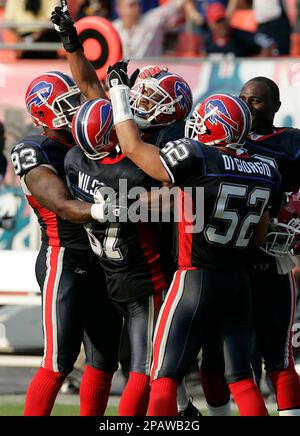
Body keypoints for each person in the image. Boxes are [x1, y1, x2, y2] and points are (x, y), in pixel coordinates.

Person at [106, 62, 283, 415]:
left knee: (163, 375)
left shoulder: (199, 156)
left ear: (218, 128)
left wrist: (118, 93)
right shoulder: (267, 169)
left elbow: (131, 146)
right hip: (238, 281)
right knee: (242, 378)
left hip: (194, 278)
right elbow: (260, 234)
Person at [51, 5, 200, 416]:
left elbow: (91, 91)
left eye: (148, 96)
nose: (136, 99)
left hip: (135, 266)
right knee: (152, 369)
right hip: (150, 268)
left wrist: (71, 43)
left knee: (158, 371)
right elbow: (176, 196)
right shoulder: (139, 148)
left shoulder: (85, 158)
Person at [10, 71, 122, 416]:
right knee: (58, 359)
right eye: (65, 104)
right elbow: (61, 204)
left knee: (104, 360)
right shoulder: (35, 150)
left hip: (103, 259)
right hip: (65, 259)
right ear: (43, 113)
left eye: (74, 100)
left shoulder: (88, 140)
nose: (75, 108)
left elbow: (93, 91)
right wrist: (108, 209)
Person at [200, 77, 300, 417]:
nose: (246, 105)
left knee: (278, 357)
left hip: (271, 259)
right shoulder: (216, 144)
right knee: (216, 358)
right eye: (242, 98)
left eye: (255, 101)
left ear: (275, 106)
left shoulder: (292, 143)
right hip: (228, 261)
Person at [112, 0, 187, 59]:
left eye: (138, 4)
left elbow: (175, 5)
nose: (137, 8)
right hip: (125, 76)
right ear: (119, 9)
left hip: (152, 76)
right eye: (131, 5)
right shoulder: (113, 28)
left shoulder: (152, 21)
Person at [204, 2, 277, 57]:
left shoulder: (241, 35)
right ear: (211, 24)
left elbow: (268, 43)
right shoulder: (208, 41)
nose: (222, 24)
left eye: (223, 20)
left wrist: (257, 63)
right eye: (218, 21)